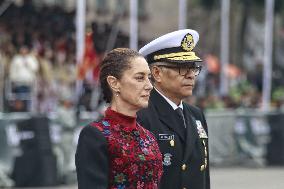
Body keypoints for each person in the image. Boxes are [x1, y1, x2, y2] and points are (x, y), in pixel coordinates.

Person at [75, 48, 163, 188]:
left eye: (149, 78)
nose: (149, 86)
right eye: (140, 78)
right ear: (114, 83)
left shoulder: (149, 136)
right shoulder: (95, 135)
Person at [137, 29, 210, 189]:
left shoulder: (196, 115)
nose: (191, 75)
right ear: (156, 73)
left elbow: (203, 177)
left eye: (193, 68)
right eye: (182, 68)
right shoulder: (141, 116)